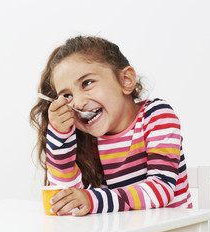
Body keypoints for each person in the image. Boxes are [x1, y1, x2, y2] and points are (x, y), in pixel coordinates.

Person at [29, 35, 192, 216]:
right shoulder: (92, 138)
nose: (78, 103)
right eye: (67, 96)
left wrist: (92, 200)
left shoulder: (156, 115)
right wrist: (59, 135)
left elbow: (161, 189)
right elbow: (66, 199)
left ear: (126, 80)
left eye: (87, 83)